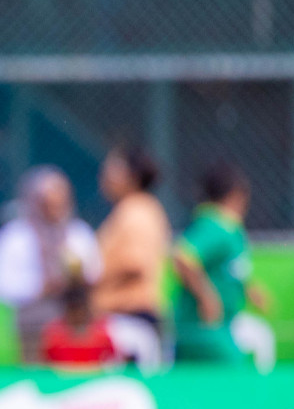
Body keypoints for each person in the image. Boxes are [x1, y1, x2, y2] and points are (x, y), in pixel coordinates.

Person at [0, 166, 102, 362]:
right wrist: (41, 287)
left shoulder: (78, 233)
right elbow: (0, 286)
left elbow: (96, 272)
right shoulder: (15, 236)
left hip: (75, 328)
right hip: (35, 328)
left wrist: (76, 277)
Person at [173, 163, 269, 364]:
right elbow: (183, 258)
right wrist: (206, 296)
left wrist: (248, 290)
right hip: (204, 329)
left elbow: (229, 270)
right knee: (232, 376)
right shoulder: (215, 226)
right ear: (235, 195)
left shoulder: (230, 229)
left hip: (224, 325)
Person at [91, 145, 170, 359]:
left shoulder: (137, 211)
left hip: (131, 320)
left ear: (132, 176)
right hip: (123, 319)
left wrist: (89, 280)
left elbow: (135, 264)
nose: (105, 175)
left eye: (113, 169)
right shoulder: (130, 209)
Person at [40, 278, 119, 368]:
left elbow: (112, 362)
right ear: (67, 311)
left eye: (80, 311)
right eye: (73, 311)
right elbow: (47, 366)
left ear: (86, 310)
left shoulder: (103, 333)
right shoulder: (54, 335)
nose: (77, 316)